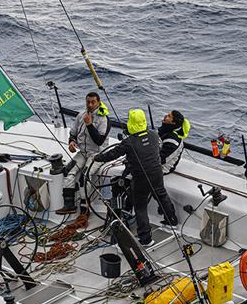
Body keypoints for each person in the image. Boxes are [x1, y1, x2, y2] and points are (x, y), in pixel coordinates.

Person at [95, 108, 178, 247]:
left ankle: (146, 239)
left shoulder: (128, 142)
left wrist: (98, 157)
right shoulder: (154, 135)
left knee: (140, 207)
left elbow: (113, 154)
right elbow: (155, 151)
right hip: (157, 173)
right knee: (161, 195)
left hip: (140, 178)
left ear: (131, 123)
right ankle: (172, 221)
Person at [55, 91, 110, 215]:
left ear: (99, 103)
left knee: (84, 177)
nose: (90, 105)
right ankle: (69, 205)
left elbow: (99, 140)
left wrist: (89, 125)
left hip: (96, 154)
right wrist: (72, 142)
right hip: (83, 153)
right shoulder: (81, 116)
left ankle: (85, 208)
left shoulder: (104, 119)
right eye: (88, 102)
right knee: (68, 171)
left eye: (93, 102)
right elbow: (73, 133)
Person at [158, 109, 190, 175]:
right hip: (154, 160)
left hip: (163, 168)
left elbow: (162, 159)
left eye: (169, 116)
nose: (165, 116)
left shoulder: (173, 140)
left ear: (173, 123)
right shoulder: (165, 131)